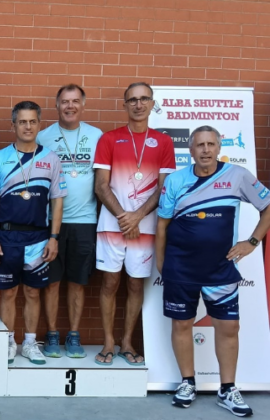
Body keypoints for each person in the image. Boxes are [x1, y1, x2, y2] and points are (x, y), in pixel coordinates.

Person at [156, 126, 270, 416]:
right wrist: (161, 262)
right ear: (190, 150)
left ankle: (227, 389)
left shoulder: (237, 176)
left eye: (210, 144)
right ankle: (187, 383)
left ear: (219, 148)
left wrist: (252, 242)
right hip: (180, 267)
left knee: (229, 327)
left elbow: (267, 206)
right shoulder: (176, 180)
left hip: (221, 268)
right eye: (200, 145)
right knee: (182, 324)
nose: (205, 150)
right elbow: (162, 224)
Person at [93, 82, 175, 365]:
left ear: (152, 103)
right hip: (111, 224)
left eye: (144, 99)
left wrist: (137, 216)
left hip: (145, 227)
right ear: (125, 104)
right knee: (110, 282)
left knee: (136, 285)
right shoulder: (109, 139)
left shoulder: (163, 142)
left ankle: (127, 342)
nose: (138, 105)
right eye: (132, 100)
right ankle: (108, 342)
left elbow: (164, 188)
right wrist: (124, 218)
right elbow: (101, 186)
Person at [0, 101, 66, 365]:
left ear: (39, 125)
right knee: (8, 293)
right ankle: (8, 342)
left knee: (32, 292)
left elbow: (57, 201)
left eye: (32, 121)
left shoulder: (51, 159)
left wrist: (53, 238)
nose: (27, 126)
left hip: (38, 239)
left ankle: (30, 343)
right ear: (13, 125)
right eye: (22, 122)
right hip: (6, 238)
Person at [37, 84, 102, 358]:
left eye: (75, 101)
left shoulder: (96, 136)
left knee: (77, 281)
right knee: (51, 281)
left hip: (85, 220)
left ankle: (73, 335)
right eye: (65, 101)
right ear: (57, 105)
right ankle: (52, 333)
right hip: (52, 222)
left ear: (83, 105)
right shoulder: (43, 137)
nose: (70, 106)